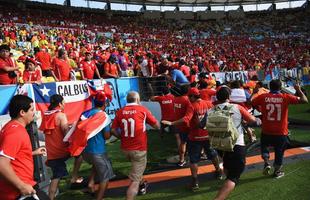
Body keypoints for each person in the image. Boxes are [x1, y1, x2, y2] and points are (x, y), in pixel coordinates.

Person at [162, 87, 223, 191]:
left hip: (195, 137)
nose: (188, 98)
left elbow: (186, 119)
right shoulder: (208, 103)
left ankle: (195, 182)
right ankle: (219, 172)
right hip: (208, 135)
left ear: (193, 96)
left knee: (193, 160)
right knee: (212, 154)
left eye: (189, 96)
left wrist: (171, 123)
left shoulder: (192, 106)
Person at [252, 79, 308, 178]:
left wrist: (254, 94)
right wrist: (299, 90)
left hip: (267, 129)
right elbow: (304, 100)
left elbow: (251, 102)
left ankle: (266, 162)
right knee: (279, 151)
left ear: (270, 87)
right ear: (280, 87)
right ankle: (277, 171)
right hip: (281, 131)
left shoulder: (263, 97)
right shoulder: (285, 97)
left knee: (264, 146)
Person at [111, 91, 160, 200]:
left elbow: (113, 130)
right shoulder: (142, 110)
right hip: (139, 149)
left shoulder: (120, 111)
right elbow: (157, 125)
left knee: (137, 169)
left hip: (125, 149)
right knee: (134, 180)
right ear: (137, 100)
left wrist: (121, 137)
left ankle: (143, 183)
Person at [213, 87, 259, 200]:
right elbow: (253, 120)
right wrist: (259, 120)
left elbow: (201, 124)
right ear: (228, 97)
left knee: (227, 163)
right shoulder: (237, 107)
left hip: (219, 144)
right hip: (236, 144)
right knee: (234, 176)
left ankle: (228, 181)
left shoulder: (211, 109)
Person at [0, 95, 48, 200]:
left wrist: (33, 153)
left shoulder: (10, 127)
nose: (33, 113)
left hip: (21, 188)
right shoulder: (15, 132)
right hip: (19, 191)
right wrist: (21, 186)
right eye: (31, 110)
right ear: (22, 112)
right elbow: (2, 163)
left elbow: (13, 154)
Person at [79, 91, 114, 200]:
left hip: (84, 151)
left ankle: (91, 183)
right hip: (97, 152)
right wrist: (114, 132)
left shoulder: (84, 114)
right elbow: (107, 136)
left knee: (97, 164)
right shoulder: (104, 116)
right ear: (104, 104)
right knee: (106, 177)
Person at [39, 94, 70, 200]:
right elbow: (66, 133)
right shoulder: (61, 115)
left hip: (52, 152)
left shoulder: (46, 115)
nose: (65, 104)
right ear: (60, 104)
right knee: (81, 153)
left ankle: (72, 177)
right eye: (64, 102)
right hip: (61, 151)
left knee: (57, 174)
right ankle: (74, 177)